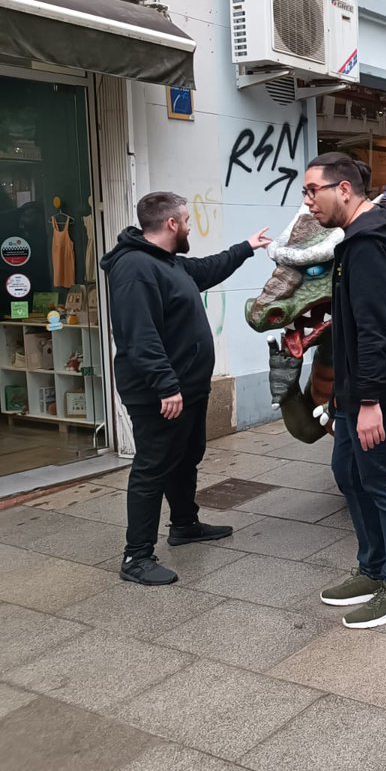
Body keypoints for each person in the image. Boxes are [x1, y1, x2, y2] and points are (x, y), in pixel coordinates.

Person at [100, 193, 271, 586]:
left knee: (186, 455)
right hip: (158, 393)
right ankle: (136, 556)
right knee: (152, 467)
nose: (191, 226)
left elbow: (206, 269)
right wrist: (165, 386)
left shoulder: (167, 261)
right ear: (172, 224)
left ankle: (184, 525)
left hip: (186, 387)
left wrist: (245, 248)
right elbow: (138, 337)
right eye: (187, 220)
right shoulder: (134, 269)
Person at [304, 153, 386, 629]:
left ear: (345, 190)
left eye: (314, 190)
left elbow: (374, 330)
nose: (309, 201)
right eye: (306, 192)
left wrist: (371, 400)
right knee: (349, 471)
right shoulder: (356, 240)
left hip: (380, 391)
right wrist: (342, 395)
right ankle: (373, 567)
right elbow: (353, 328)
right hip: (357, 389)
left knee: (384, 480)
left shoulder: (369, 245)